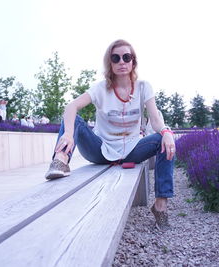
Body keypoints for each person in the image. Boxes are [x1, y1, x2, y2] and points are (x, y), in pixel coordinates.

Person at [44, 39, 176, 230]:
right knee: (76, 121)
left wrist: (166, 132)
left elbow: (155, 120)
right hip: (100, 150)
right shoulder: (100, 88)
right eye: (116, 58)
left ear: (133, 62)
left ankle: (160, 207)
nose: (121, 62)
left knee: (164, 141)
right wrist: (69, 134)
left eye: (126, 57)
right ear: (110, 63)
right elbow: (71, 106)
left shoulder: (143, 87)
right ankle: (60, 161)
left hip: (132, 150)